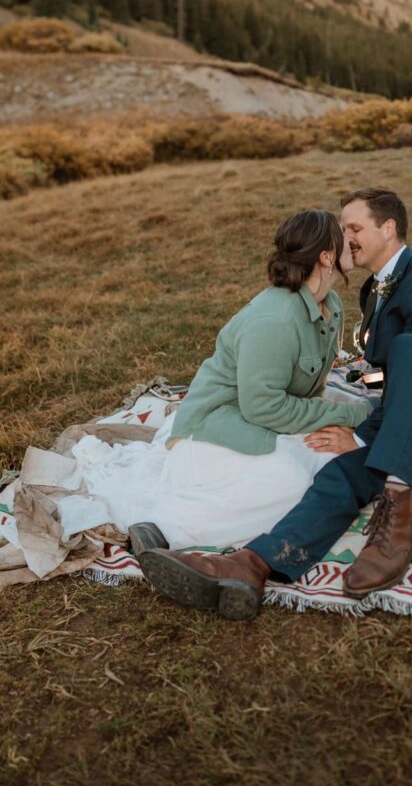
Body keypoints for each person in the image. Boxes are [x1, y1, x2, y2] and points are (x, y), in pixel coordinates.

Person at [139, 188, 412, 619]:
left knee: (409, 352)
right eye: (343, 230)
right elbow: (391, 378)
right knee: (338, 471)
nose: (347, 237)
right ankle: (251, 565)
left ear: (388, 228)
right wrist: (363, 402)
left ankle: (398, 515)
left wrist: (361, 433)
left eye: (355, 227)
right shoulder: (371, 290)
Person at [125, 208, 371, 554]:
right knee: (293, 481)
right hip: (216, 426)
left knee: (332, 459)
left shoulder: (330, 305)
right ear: (327, 256)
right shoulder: (275, 320)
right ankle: (165, 527)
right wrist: (348, 414)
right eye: (343, 237)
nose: (352, 240)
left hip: (260, 422)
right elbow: (264, 407)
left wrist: (340, 416)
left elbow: (306, 391)